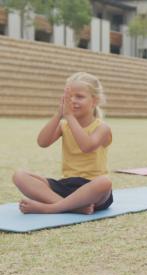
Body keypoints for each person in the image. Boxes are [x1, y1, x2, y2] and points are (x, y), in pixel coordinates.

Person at [12, 72, 113, 215]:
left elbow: (86, 146)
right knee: (19, 176)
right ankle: (72, 207)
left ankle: (51, 208)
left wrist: (69, 116)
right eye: (69, 97)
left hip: (92, 188)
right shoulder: (64, 125)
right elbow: (42, 142)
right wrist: (59, 114)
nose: (73, 100)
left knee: (105, 182)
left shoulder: (102, 128)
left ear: (94, 101)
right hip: (66, 186)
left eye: (79, 96)